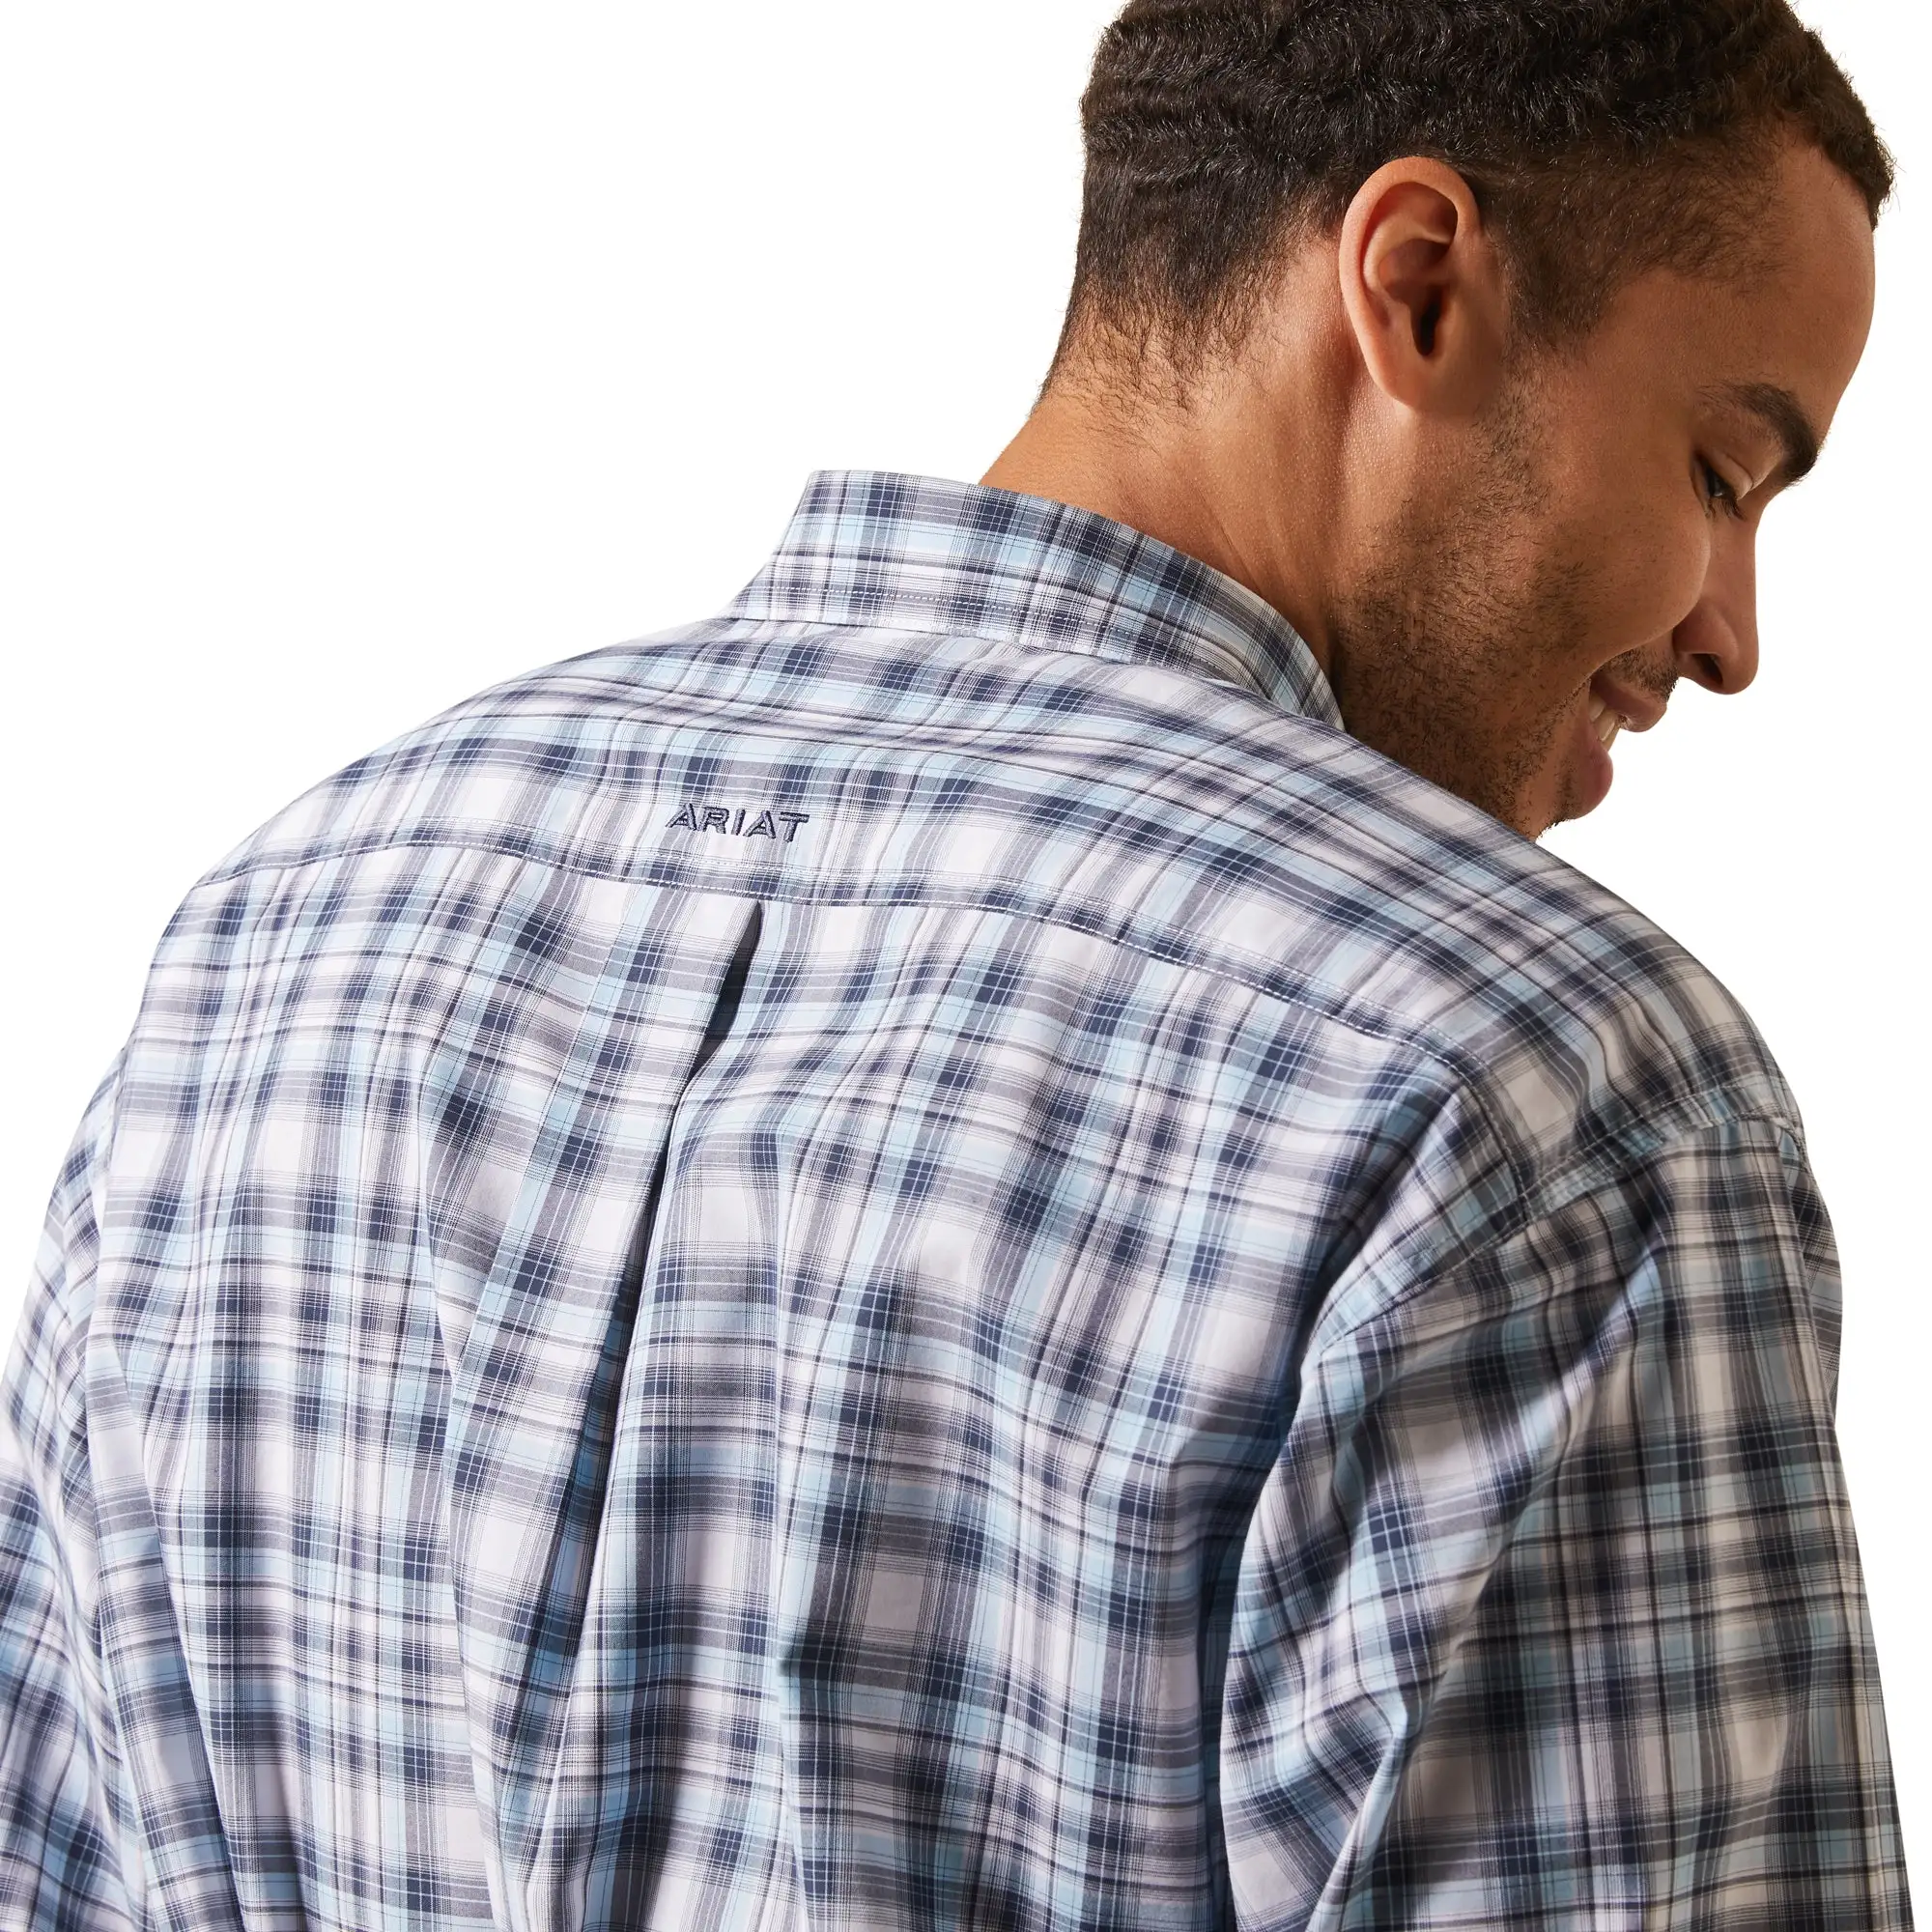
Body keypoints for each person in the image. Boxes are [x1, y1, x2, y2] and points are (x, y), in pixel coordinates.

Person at [0, 0, 1912, 1925]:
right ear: (1413, 286)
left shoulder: (274, 939)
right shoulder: (1539, 1092)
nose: (1733, 636)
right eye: (1722, 472)